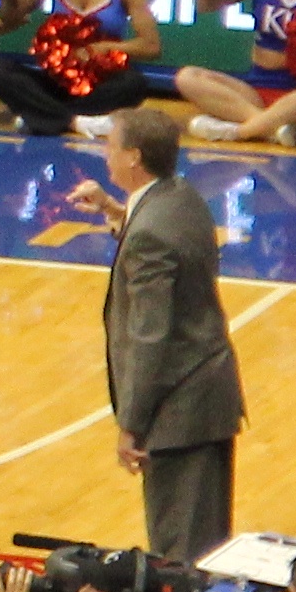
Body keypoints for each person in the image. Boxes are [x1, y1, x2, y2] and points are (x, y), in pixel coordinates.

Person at [95, 104, 241, 564]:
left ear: (134, 157)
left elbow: (150, 337)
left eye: (110, 145)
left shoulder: (150, 234)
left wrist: (131, 424)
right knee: (206, 542)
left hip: (180, 408)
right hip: (207, 392)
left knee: (181, 552)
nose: (105, 154)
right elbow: (162, 242)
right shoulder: (181, 198)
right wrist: (115, 212)